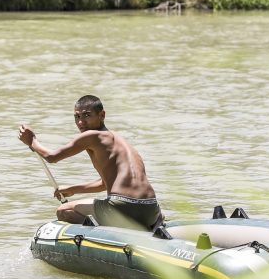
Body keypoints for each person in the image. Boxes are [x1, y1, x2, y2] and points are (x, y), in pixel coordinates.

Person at [18, 95, 162, 231]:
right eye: (77, 117)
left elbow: (52, 157)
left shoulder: (92, 136)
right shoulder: (122, 142)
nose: (81, 122)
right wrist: (73, 189)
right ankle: (149, 227)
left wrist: (31, 141)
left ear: (102, 115)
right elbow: (104, 184)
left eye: (87, 115)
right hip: (151, 209)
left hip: (121, 207)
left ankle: (103, 233)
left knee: (64, 210)